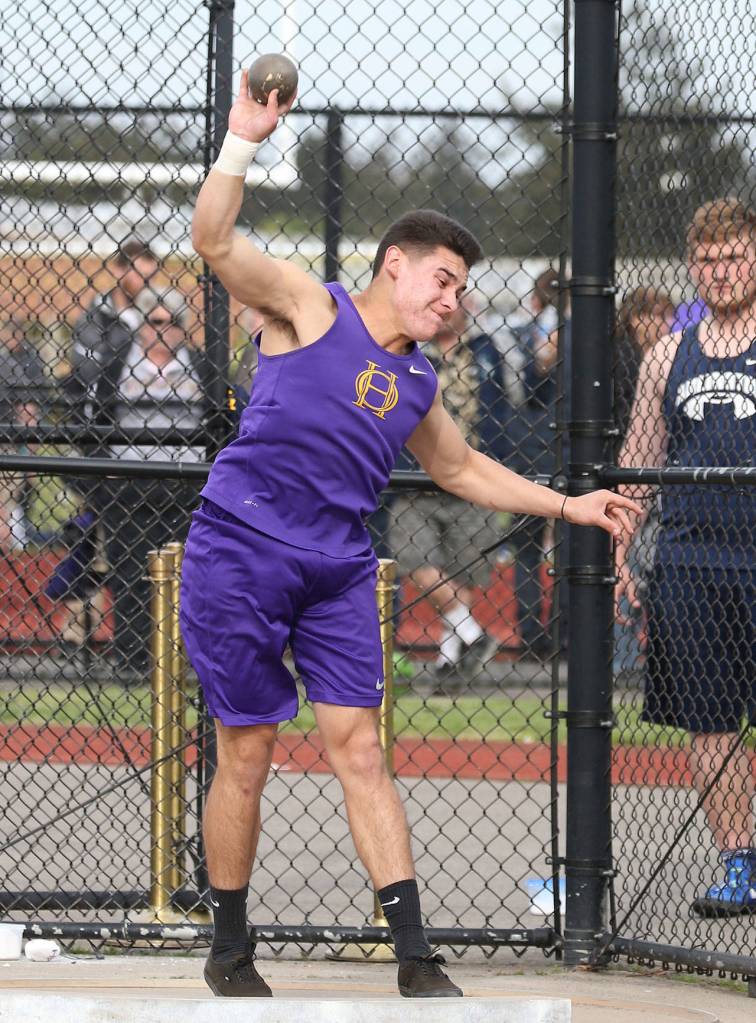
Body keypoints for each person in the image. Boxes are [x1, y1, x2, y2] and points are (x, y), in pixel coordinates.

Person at [181, 71, 641, 1000]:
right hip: (240, 546)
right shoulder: (312, 307)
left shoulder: (423, 383)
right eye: (445, 279)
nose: (455, 300)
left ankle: (415, 956)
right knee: (248, 749)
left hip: (339, 565)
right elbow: (214, 239)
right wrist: (242, 139)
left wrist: (572, 503)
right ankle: (230, 946)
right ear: (396, 264)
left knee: (361, 746)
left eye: (463, 289)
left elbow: (464, 470)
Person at [616, 197, 756, 916]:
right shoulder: (669, 353)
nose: (721, 271)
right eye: (708, 259)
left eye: (734, 256)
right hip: (693, 561)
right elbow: (639, 458)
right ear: (691, 265)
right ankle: (741, 862)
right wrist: (620, 547)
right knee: (710, 723)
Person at [95, 287, 207, 675]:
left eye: (172, 322)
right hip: (129, 489)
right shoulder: (116, 366)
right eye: (155, 321)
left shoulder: (202, 367)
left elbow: (222, 424)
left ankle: (185, 661)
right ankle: (133, 661)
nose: (163, 330)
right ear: (141, 326)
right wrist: (102, 482)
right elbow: (95, 424)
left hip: (186, 490)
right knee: (129, 574)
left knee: (190, 577)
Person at [389, 303, 502, 687]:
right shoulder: (407, 347)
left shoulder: (486, 350)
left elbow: (503, 408)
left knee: (464, 571)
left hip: (470, 474)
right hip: (415, 476)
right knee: (415, 559)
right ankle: (474, 635)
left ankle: (450, 659)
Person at [497, 270, 564, 657]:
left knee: (529, 548)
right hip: (554, 447)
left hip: (529, 448)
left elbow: (517, 394)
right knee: (558, 545)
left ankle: (534, 635)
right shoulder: (579, 334)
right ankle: (556, 634)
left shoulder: (518, 335)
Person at [67, 238, 160, 416]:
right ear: (118, 271)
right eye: (140, 274)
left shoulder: (159, 317)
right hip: (104, 416)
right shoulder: (96, 317)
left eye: (152, 277)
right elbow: (87, 371)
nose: (147, 283)